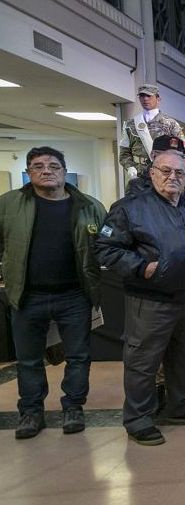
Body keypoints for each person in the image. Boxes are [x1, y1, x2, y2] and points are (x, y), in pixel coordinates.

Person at [95, 149, 185, 446]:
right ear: (151, 173)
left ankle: (182, 404)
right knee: (143, 361)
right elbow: (105, 248)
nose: (172, 177)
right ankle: (138, 418)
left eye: (179, 173)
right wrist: (141, 267)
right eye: (165, 171)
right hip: (151, 300)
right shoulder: (130, 208)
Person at [1, 147, 106, 440]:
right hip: (26, 296)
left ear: (63, 170)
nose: (46, 170)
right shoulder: (9, 204)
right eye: (37, 166)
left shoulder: (89, 206)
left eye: (53, 165)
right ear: (29, 173)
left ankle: (73, 406)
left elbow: (108, 244)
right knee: (29, 359)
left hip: (75, 295)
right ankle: (31, 412)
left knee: (78, 356)